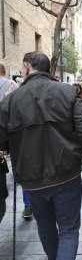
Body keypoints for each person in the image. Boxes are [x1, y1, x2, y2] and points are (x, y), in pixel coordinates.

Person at [0, 51, 82, 260]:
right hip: (66, 175)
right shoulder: (67, 92)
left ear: (26, 68)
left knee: (45, 225)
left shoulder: (10, 100)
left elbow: (1, 139)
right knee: (68, 230)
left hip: (32, 178)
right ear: (47, 69)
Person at [0, 63, 32, 219]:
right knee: (22, 168)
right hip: (13, 133)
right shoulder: (12, 85)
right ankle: (27, 205)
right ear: (5, 71)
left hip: (3, 136)